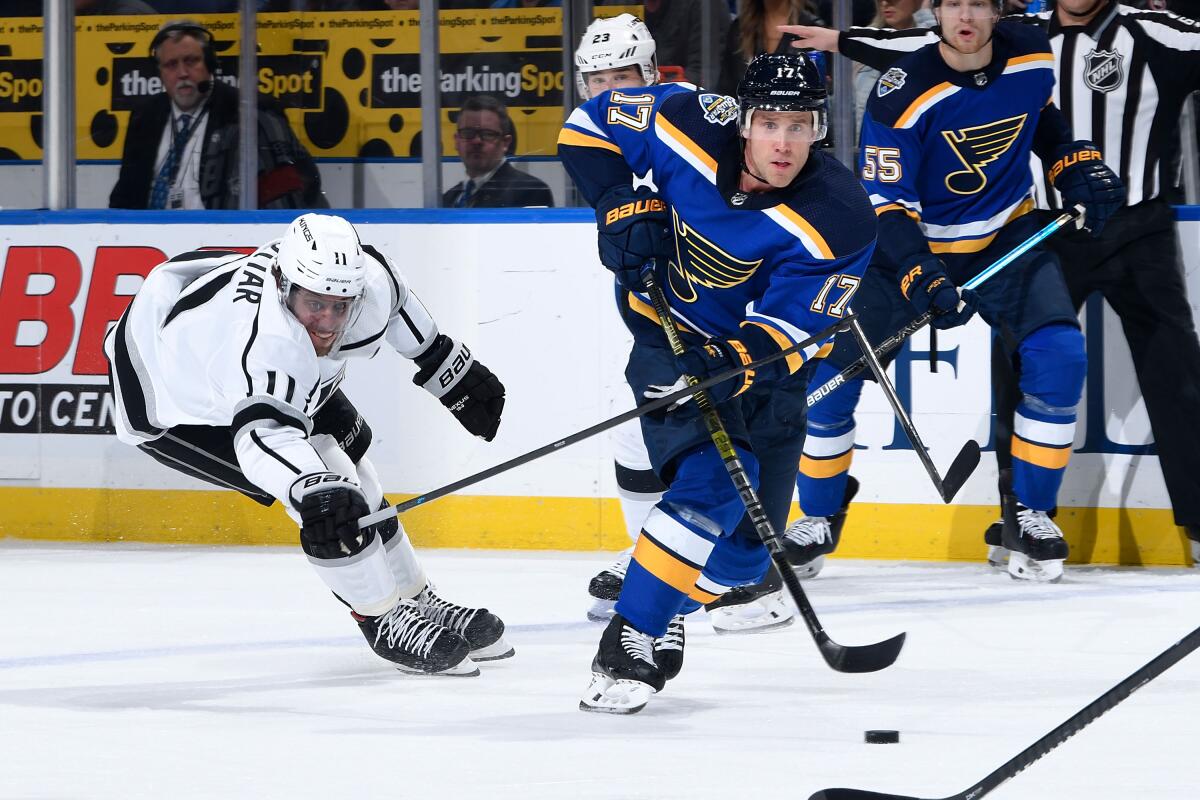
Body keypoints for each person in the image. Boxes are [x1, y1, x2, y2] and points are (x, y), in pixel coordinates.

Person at [785, 0, 1200, 569]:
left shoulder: (1030, 51)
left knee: (1058, 355)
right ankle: (817, 514)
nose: (966, 16)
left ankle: (1030, 515)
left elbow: (1045, 122)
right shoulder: (900, 91)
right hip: (908, 248)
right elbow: (884, 205)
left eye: (978, 2)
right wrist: (919, 273)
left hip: (1008, 241)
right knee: (836, 374)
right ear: (935, 11)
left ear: (995, 10)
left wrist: (1070, 162)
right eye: (953, 2)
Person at [559, 49, 877, 712]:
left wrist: (728, 364)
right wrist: (618, 201)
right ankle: (630, 641)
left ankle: (665, 597)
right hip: (667, 337)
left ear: (820, 128)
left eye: (801, 125)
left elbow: (792, 329)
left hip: (767, 375)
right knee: (708, 488)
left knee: (744, 564)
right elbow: (585, 129)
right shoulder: (684, 119)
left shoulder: (840, 216)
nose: (784, 142)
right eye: (770, 123)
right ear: (743, 121)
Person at [103, 213, 511, 676]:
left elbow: (394, 303)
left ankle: (417, 598)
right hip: (173, 400)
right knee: (330, 498)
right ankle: (382, 617)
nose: (328, 324)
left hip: (271, 376)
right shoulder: (265, 345)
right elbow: (263, 435)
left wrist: (447, 368)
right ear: (282, 284)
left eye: (341, 306)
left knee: (358, 471)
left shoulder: (363, 284)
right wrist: (313, 489)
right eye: (316, 304)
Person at [571, 14, 669, 623]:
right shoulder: (591, 139)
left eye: (623, 77)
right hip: (647, 299)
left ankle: (723, 556)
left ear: (651, 75)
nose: (611, 93)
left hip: (715, 296)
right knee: (637, 427)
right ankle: (649, 553)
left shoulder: (683, 116)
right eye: (597, 80)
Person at [109, 21, 325, 211]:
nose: (182, 73)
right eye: (171, 65)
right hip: (151, 240)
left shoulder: (250, 113)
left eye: (191, 61)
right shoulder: (145, 116)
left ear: (210, 65)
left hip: (222, 240)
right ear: (160, 73)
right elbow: (124, 196)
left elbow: (291, 188)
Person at [442, 95, 555, 208]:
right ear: (456, 141)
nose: (476, 141)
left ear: (505, 143)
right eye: (468, 133)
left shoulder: (531, 192)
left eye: (487, 134)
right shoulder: (449, 198)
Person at [640, 0, 732, 88]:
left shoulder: (705, 6)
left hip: (692, 96)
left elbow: (701, 73)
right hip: (648, 92)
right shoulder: (632, 6)